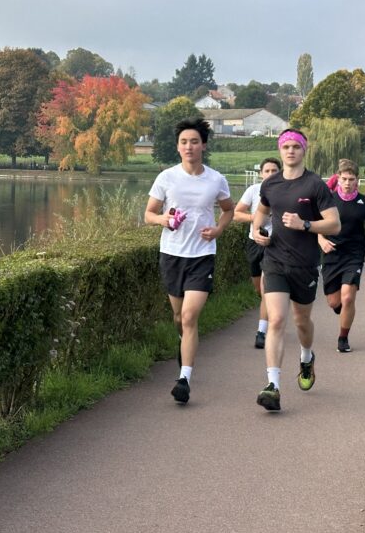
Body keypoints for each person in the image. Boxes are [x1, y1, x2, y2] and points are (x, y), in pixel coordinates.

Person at [145, 117, 235, 405]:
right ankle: (183, 346)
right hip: (172, 254)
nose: (189, 146)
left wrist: (218, 229)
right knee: (178, 318)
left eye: (194, 142)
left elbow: (228, 210)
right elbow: (149, 214)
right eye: (184, 142)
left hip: (202, 256)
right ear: (178, 147)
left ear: (203, 146)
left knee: (189, 316)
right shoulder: (167, 177)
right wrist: (164, 219)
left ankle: (184, 378)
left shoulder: (216, 179)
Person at [251, 129, 340, 412]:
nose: (290, 151)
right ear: (280, 150)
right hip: (274, 260)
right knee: (276, 320)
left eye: (296, 147)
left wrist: (306, 225)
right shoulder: (271, 184)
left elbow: (334, 224)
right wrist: (256, 230)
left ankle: (306, 357)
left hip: (305, 264)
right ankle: (273, 385)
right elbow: (262, 211)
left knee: (301, 321)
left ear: (304, 150)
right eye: (286, 147)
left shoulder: (315, 185)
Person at [319, 159, 365, 353]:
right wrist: (321, 240)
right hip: (331, 253)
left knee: (348, 298)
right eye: (344, 179)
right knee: (334, 302)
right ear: (338, 179)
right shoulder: (327, 200)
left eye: (352, 179)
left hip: (354, 254)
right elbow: (316, 225)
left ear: (358, 181)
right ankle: (342, 310)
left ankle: (343, 338)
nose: (348, 183)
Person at [233, 157, 281, 349]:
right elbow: (236, 214)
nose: (270, 174)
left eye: (274, 171)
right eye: (267, 171)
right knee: (260, 290)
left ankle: (261, 332)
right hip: (255, 242)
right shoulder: (253, 191)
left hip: (275, 245)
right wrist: (257, 217)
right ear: (261, 174)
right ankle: (272, 312)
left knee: (267, 287)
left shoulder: (285, 192)